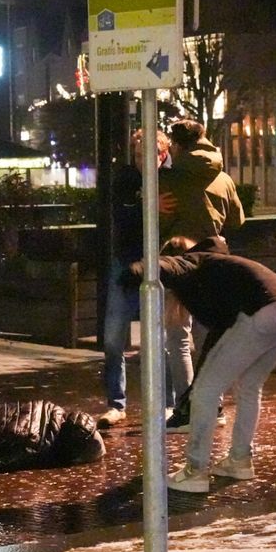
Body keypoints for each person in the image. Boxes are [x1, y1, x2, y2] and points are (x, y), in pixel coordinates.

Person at [124, 236, 276, 494]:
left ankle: (195, 471)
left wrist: (133, 272)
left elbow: (167, 266)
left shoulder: (195, 262)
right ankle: (240, 460)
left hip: (261, 313)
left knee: (205, 393)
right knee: (248, 386)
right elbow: (219, 335)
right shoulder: (220, 268)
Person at [158, 119, 245, 431]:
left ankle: (186, 408)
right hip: (215, 260)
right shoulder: (222, 178)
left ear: (177, 145)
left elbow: (154, 219)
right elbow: (238, 220)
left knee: (178, 337)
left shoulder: (167, 179)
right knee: (208, 337)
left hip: (179, 259)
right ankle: (213, 403)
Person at [96, 129, 170, 429]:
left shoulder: (169, 178)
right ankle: (117, 403)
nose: (142, 161)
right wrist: (149, 205)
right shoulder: (125, 179)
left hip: (159, 262)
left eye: (147, 155)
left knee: (162, 340)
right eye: (138, 155)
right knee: (113, 337)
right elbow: (122, 215)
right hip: (126, 262)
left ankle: (167, 402)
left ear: (162, 154)